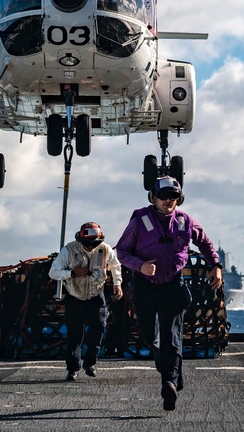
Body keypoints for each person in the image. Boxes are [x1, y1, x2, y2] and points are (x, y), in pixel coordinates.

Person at [114, 176, 223, 412]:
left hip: (173, 286)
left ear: (179, 199)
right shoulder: (140, 221)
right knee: (149, 335)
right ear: (154, 198)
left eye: (173, 196)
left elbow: (205, 243)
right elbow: (120, 251)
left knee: (171, 337)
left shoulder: (185, 221)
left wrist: (216, 265)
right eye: (163, 196)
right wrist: (139, 265)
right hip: (144, 286)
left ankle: (169, 382)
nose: (168, 201)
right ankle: (170, 373)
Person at [49, 221, 123, 381]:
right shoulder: (69, 250)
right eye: (88, 244)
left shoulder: (105, 249)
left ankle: (90, 363)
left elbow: (116, 265)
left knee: (99, 327)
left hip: (96, 295)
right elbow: (53, 272)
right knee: (75, 335)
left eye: (94, 243)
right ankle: (72, 368)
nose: (91, 246)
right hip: (75, 296)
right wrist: (72, 273)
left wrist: (118, 283)